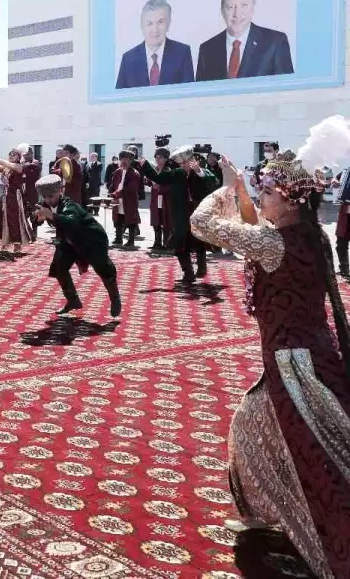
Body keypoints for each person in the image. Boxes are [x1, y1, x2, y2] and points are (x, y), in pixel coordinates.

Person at [191, 151, 350, 578]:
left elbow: (201, 224)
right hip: (309, 350)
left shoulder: (275, 242)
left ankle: (317, 529)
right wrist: (244, 193)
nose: (261, 198)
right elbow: (255, 230)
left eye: (268, 192)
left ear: (291, 199)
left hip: (293, 363)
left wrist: (225, 188)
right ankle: (264, 513)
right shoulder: (308, 233)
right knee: (252, 426)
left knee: (317, 450)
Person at [33, 174, 121, 318]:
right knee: (59, 268)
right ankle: (73, 301)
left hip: (91, 240)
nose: (48, 200)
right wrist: (39, 219)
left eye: (51, 196)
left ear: (60, 191)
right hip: (69, 241)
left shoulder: (70, 205)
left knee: (104, 269)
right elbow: (36, 218)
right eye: (45, 197)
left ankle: (115, 298)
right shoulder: (46, 205)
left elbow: (70, 222)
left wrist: (51, 216)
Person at [139, 146, 211, 284]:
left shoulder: (201, 172)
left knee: (199, 241)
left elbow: (212, 182)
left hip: (197, 212)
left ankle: (202, 268)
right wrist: (145, 165)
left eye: (187, 162)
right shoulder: (177, 173)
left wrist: (199, 172)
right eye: (182, 163)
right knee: (180, 244)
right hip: (180, 214)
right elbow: (159, 178)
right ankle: (188, 273)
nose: (185, 165)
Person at [195, 0, 294, 81]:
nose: (237, 14)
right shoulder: (207, 49)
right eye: (230, 7)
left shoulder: (275, 43)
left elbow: (287, 88)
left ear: (253, 6)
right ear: (222, 11)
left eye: (244, 5)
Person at [114, 0, 195, 88]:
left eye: (160, 22)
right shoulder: (128, 59)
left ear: (168, 23)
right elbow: (120, 96)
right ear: (142, 25)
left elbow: (189, 93)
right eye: (149, 23)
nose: (155, 29)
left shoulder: (182, 53)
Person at [0, 147, 32, 254]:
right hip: (5, 195)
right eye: (10, 154)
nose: (11, 156)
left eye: (14, 154)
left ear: (19, 157)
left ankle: (17, 246)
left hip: (15, 196)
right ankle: (4, 244)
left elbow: (9, 165)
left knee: (14, 219)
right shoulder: (6, 167)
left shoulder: (20, 166)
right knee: (1, 218)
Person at [106, 150, 142, 250]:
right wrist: (110, 194)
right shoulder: (117, 172)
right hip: (118, 200)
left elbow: (130, 188)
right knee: (118, 219)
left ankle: (131, 241)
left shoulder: (134, 173)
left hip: (129, 200)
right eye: (122, 159)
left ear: (130, 161)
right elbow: (113, 185)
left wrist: (116, 193)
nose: (124, 161)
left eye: (126, 159)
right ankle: (118, 239)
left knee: (131, 221)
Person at [147, 147, 173, 252]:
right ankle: (157, 243)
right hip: (155, 199)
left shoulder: (169, 170)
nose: (158, 159)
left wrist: (159, 187)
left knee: (166, 222)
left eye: (160, 157)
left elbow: (170, 186)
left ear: (166, 159)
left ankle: (167, 244)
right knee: (156, 221)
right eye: (156, 157)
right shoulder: (155, 169)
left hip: (166, 200)